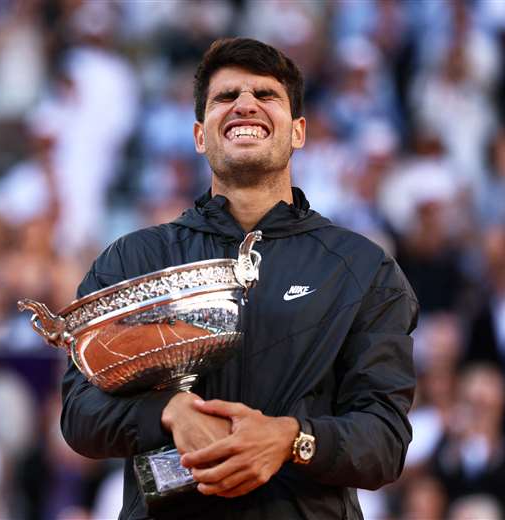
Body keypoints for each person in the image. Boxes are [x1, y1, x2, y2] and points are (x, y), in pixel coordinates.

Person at [60, 38, 418, 519]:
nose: (245, 104)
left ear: (298, 131)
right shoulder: (134, 257)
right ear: (199, 135)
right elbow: (79, 413)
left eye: (266, 95)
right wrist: (167, 412)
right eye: (225, 97)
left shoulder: (361, 267)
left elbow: (385, 440)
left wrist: (293, 438)